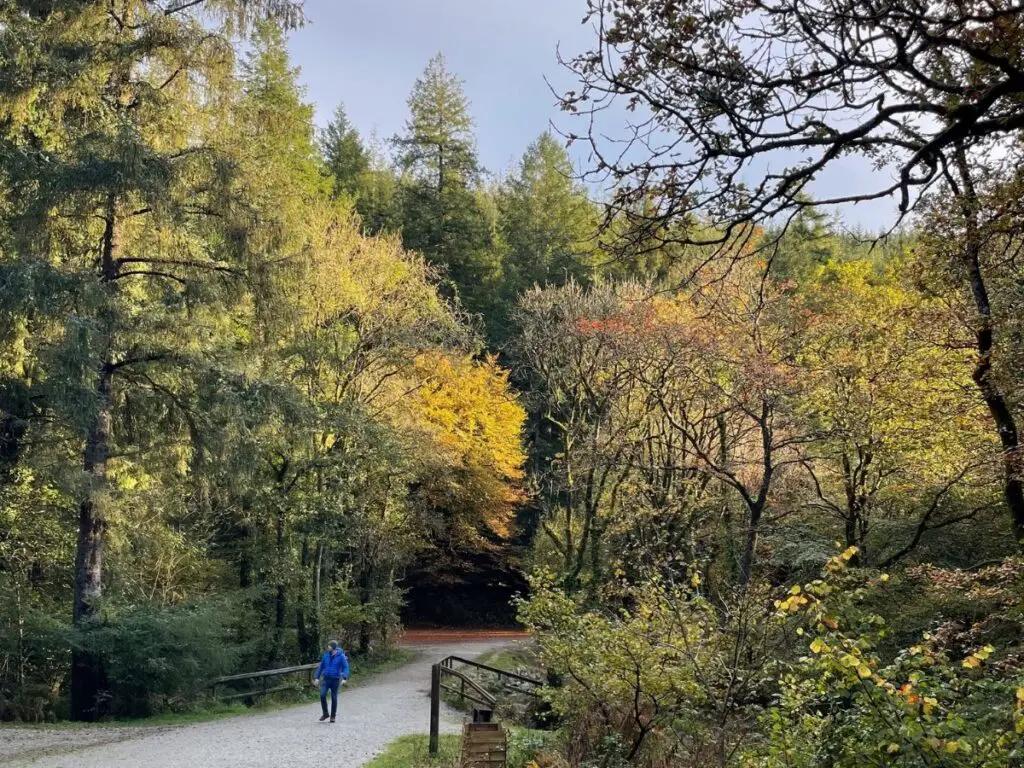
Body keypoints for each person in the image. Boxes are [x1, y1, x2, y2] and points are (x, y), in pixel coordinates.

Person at [313, 639, 349, 723]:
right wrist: (317, 678)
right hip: (326, 679)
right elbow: (321, 667)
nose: (327, 647)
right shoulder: (325, 656)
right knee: (322, 695)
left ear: (333, 647)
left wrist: (344, 677)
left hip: (335, 679)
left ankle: (333, 716)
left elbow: (346, 667)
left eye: (329, 646)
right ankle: (325, 713)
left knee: (334, 697)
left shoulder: (341, 657)